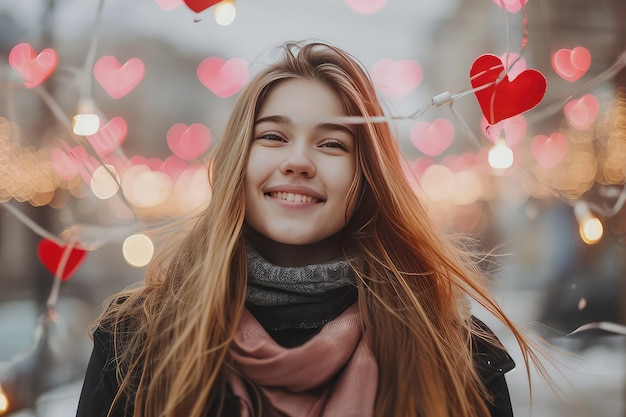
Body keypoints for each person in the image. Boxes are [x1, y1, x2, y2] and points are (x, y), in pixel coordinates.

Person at [76, 40, 541, 417]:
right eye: (274, 136)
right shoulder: (137, 340)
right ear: (239, 158)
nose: (297, 162)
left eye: (332, 143)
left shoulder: (453, 353)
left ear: (366, 178)